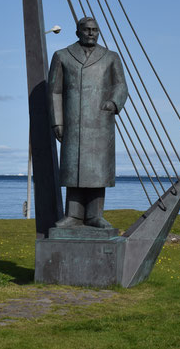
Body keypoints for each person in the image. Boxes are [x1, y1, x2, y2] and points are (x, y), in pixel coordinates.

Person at [48, 17, 128, 229]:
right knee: (74, 171)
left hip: (100, 123)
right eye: (87, 30)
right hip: (73, 122)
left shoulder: (110, 57)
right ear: (78, 32)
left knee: (97, 172)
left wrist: (113, 103)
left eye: (95, 30)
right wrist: (58, 122)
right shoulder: (62, 56)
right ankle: (72, 215)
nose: (91, 33)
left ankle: (95, 215)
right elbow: (54, 91)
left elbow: (121, 85)